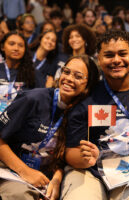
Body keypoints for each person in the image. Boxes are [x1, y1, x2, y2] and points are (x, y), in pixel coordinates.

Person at [61, 29, 129, 200]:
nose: (116, 60)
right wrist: (85, 158)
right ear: (99, 59)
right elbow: (70, 151)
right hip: (90, 172)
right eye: (109, 55)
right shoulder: (86, 97)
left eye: (122, 54)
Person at [0, 54, 99, 200]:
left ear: (88, 85)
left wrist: (57, 180)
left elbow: (61, 158)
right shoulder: (33, 99)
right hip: (11, 169)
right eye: (66, 72)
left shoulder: (80, 114)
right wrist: (25, 171)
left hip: (44, 177)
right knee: (20, 195)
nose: (69, 79)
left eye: (78, 76)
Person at [0, 31, 43, 113]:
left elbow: (41, 102)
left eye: (20, 45)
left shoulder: (33, 73)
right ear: (2, 47)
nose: (16, 48)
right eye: (12, 44)